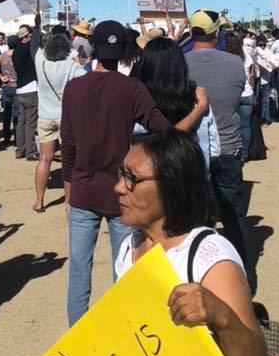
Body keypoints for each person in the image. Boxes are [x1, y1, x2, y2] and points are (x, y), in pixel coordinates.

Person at [41, 129, 271, 356]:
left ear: (172, 185)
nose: (119, 188)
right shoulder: (131, 246)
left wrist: (221, 316)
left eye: (132, 179)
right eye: (121, 175)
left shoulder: (209, 258)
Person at [60, 20, 208, 325]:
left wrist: (68, 193)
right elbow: (164, 132)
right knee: (125, 270)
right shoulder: (131, 88)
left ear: (94, 49)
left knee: (78, 272)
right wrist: (196, 112)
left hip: (83, 190)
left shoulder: (74, 88)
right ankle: (125, 331)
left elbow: (69, 145)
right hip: (121, 190)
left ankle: (77, 335)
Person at [184, 10, 248, 269]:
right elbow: (238, 93)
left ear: (191, 33)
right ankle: (243, 274)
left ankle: (200, 274)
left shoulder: (181, 63)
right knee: (234, 218)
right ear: (217, 33)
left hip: (193, 153)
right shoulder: (235, 63)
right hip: (229, 148)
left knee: (195, 222)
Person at [132, 36, 219, 169]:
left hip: (148, 178)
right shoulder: (198, 97)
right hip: (192, 176)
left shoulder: (137, 100)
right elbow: (214, 150)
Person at [33, 31, 84, 213]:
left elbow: (35, 45)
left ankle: (39, 201)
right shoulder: (73, 68)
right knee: (68, 160)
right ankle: (68, 202)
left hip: (45, 117)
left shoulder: (41, 63)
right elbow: (88, 81)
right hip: (66, 118)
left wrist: (37, 26)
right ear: (67, 50)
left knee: (44, 159)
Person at [223, 30, 255, 161]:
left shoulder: (224, 56)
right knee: (245, 125)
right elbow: (252, 75)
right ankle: (245, 154)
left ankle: (233, 151)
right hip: (247, 93)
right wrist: (252, 90)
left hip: (231, 94)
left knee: (231, 125)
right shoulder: (246, 55)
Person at [13, 21, 40, 161]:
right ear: (25, 37)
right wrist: (37, 24)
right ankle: (31, 152)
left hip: (20, 89)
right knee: (31, 122)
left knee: (21, 122)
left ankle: (20, 150)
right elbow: (36, 40)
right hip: (31, 88)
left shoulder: (15, 51)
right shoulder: (27, 48)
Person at [0, 40, 18, 146]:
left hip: (6, 86)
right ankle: (17, 137)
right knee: (16, 113)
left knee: (6, 113)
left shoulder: (3, 55)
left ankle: (6, 137)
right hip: (16, 85)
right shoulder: (17, 55)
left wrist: (0, 76)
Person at [253, 36, 275, 126]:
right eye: (260, 45)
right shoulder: (254, 52)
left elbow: (273, 62)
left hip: (266, 80)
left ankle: (266, 119)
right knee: (257, 101)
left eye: (263, 44)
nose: (262, 46)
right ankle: (259, 119)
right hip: (257, 80)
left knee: (266, 101)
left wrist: (273, 65)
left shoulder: (268, 52)